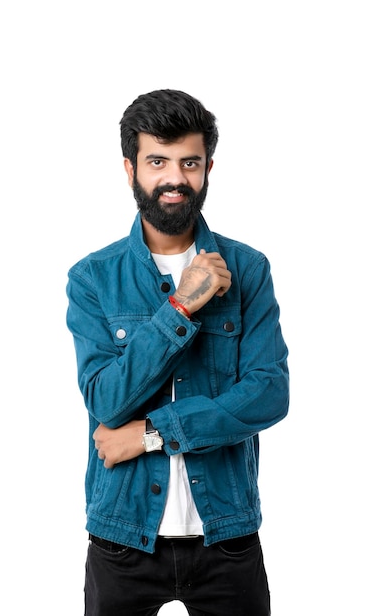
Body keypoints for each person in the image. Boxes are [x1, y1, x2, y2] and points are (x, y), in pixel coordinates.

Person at [66, 89, 289, 616]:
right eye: (157, 161)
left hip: (227, 536)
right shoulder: (93, 278)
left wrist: (149, 436)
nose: (175, 178)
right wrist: (181, 308)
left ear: (208, 167)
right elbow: (106, 401)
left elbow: (269, 394)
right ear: (130, 168)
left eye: (189, 162)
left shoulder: (248, 269)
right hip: (122, 538)